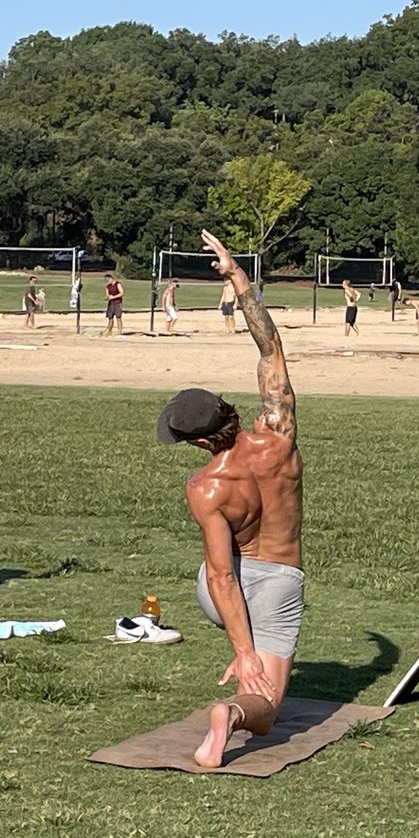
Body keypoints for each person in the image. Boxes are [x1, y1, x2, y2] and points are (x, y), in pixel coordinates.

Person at [157, 229, 304, 770]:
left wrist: (239, 648)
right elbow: (271, 347)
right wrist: (237, 275)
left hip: (224, 588)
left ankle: (241, 670)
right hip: (279, 583)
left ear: (199, 441)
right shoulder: (278, 435)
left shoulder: (205, 488)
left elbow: (220, 578)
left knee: (240, 625)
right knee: (266, 706)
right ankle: (232, 715)